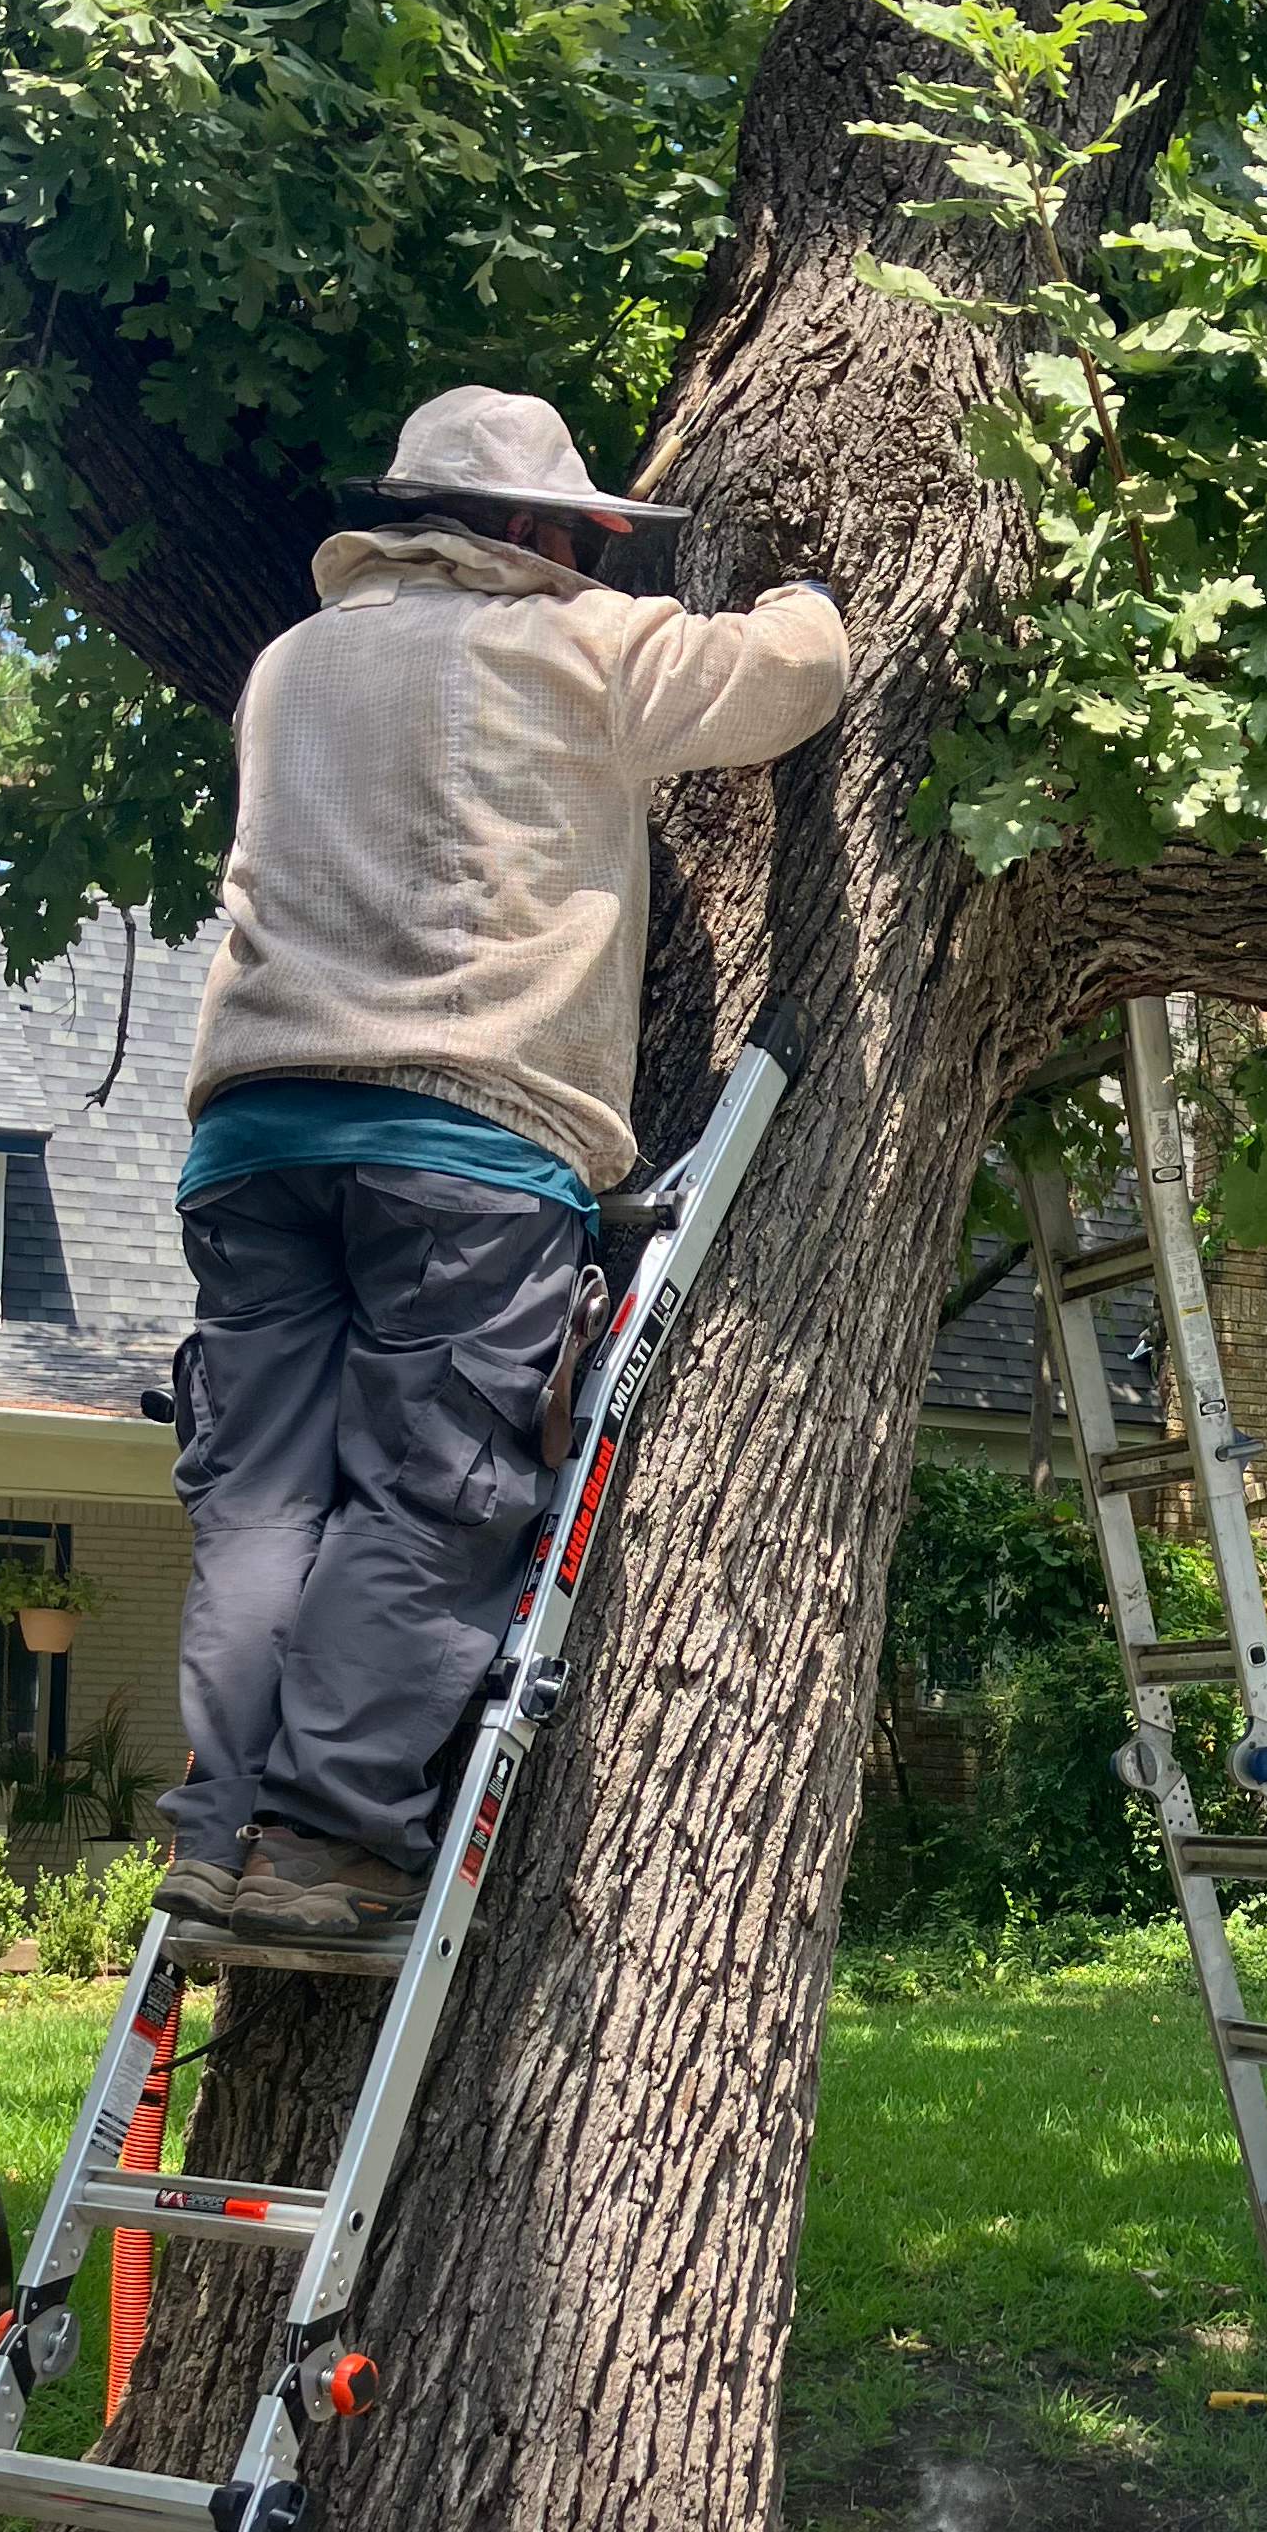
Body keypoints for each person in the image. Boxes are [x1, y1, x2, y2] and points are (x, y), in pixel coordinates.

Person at [153, 385, 850, 1945]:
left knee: (261, 1506)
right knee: (432, 1491)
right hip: (465, 1132)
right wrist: (809, 595)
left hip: (252, 1135)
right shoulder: (568, 644)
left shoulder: (290, 668)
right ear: (533, 531)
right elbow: (771, 685)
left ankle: (217, 1827)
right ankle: (328, 1844)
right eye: (578, 533)